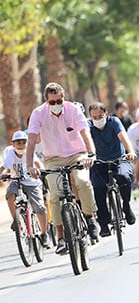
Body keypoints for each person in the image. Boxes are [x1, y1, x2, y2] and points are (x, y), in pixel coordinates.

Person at [25, 82, 99, 255]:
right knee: (54, 195)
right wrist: (29, 165)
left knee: (82, 182)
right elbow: (31, 140)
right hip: (53, 159)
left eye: (59, 100)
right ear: (46, 101)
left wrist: (91, 154)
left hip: (77, 154)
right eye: (52, 102)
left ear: (63, 97)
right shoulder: (38, 114)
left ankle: (89, 218)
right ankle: (60, 238)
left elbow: (85, 133)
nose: (57, 105)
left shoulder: (73, 109)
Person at [88, 102, 137, 237]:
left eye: (100, 116)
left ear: (106, 114)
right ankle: (104, 224)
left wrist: (130, 151)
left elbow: (123, 137)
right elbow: (84, 140)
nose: (97, 119)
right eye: (94, 117)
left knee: (125, 178)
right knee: (98, 188)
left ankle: (126, 206)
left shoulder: (114, 122)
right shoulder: (88, 125)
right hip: (98, 162)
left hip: (119, 159)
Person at [2, 131, 49, 248]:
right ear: (13, 144)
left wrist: (42, 171)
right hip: (16, 180)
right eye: (18, 143)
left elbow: (38, 163)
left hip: (31, 182)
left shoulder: (29, 152)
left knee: (39, 206)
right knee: (10, 195)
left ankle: (44, 234)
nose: (21, 145)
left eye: (24, 142)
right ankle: (16, 221)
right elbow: (4, 166)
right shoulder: (10, 152)